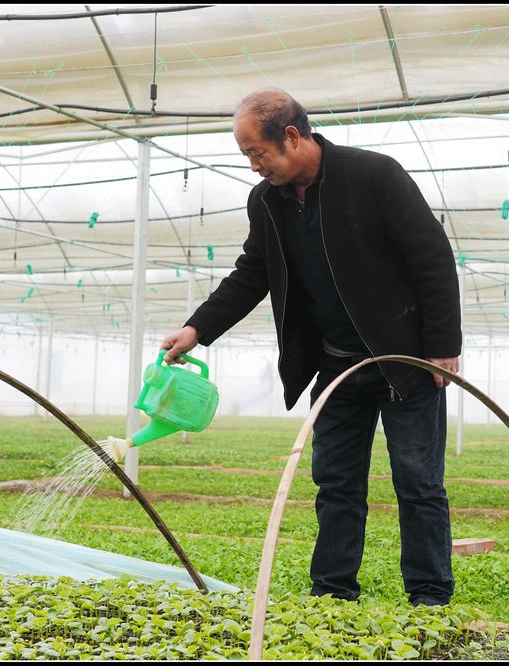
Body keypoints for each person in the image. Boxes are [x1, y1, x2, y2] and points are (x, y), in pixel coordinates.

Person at [161, 89, 461, 606]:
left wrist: (441, 346)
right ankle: (332, 593)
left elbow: (431, 257)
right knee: (336, 482)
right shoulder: (266, 202)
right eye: (246, 155)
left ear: (292, 136)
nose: (253, 166)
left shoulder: (373, 176)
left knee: (417, 480)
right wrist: (197, 329)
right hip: (335, 365)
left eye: (257, 152)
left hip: (404, 363)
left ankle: (429, 597)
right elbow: (252, 272)